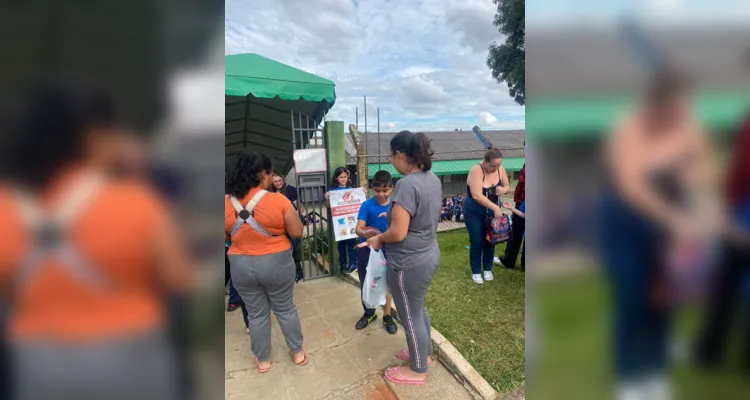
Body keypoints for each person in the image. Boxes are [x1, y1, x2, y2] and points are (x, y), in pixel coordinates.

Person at [0, 80, 193, 400]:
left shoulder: (6, 208)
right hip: (129, 357)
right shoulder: (136, 203)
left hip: (36, 362)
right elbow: (179, 278)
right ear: (92, 136)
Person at [598, 68, 718, 399]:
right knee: (632, 297)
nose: (681, 114)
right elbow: (631, 186)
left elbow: (702, 171)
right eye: (674, 107)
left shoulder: (687, 125)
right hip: (624, 219)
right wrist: (676, 220)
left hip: (671, 216)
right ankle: (628, 377)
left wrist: (702, 208)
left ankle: (655, 369)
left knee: (665, 295)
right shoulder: (629, 126)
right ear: (657, 102)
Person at [361, 130, 442, 386]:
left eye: (391, 155)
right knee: (417, 309)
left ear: (400, 154)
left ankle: (417, 370)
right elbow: (419, 215)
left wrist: (379, 238)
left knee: (410, 315)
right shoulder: (432, 178)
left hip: (409, 263)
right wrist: (393, 218)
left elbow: (398, 232)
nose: (390, 160)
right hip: (428, 253)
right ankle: (423, 353)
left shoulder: (406, 184)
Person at [224, 150, 307, 373]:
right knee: (285, 308)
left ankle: (263, 360)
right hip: (276, 263)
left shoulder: (224, 203)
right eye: (270, 175)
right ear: (262, 174)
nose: (272, 179)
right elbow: (297, 232)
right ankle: (297, 352)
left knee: (256, 313)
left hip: (241, 265)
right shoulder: (278, 200)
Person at [694, 109, 750, 372]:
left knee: (727, 288)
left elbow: (740, 172)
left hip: (742, 215)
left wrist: (727, 212)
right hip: (741, 213)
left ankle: (709, 351)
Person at [353, 170, 398, 334]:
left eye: (385, 190)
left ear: (391, 188)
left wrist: (383, 235)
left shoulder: (395, 206)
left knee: (388, 284)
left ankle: (387, 315)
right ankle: (369, 313)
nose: (381, 194)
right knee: (367, 282)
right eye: (377, 190)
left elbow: (398, 230)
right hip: (367, 251)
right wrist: (368, 233)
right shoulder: (366, 205)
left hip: (389, 250)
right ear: (372, 188)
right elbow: (358, 229)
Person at [463, 146, 510, 284]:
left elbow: (507, 186)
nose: (496, 168)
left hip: (492, 211)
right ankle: (476, 271)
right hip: (474, 210)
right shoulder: (476, 170)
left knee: (491, 239)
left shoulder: (500, 169)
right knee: (477, 241)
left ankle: (488, 268)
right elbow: (476, 195)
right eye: (493, 165)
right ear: (485, 162)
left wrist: (502, 190)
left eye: (499, 165)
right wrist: (495, 207)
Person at [270, 172, 304, 282]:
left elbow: (300, 208)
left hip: (290, 224)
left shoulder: (290, 189)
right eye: (275, 181)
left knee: (292, 249)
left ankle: (297, 273)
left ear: (283, 179)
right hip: (278, 226)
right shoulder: (270, 193)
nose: (278, 183)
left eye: (280, 180)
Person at [325, 167, 357, 274]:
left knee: (352, 243)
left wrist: (363, 193)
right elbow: (328, 206)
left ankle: (353, 263)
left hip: (352, 221)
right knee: (342, 245)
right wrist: (327, 198)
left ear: (348, 177)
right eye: (340, 177)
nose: (343, 179)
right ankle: (342, 264)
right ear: (336, 178)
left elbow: (359, 202)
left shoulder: (352, 188)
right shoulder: (332, 191)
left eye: (345, 177)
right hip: (340, 223)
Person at [495, 159, 525, 269]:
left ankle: (512, 261)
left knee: (517, 231)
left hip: (525, 202)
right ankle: (511, 260)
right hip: (522, 201)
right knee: (516, 231)